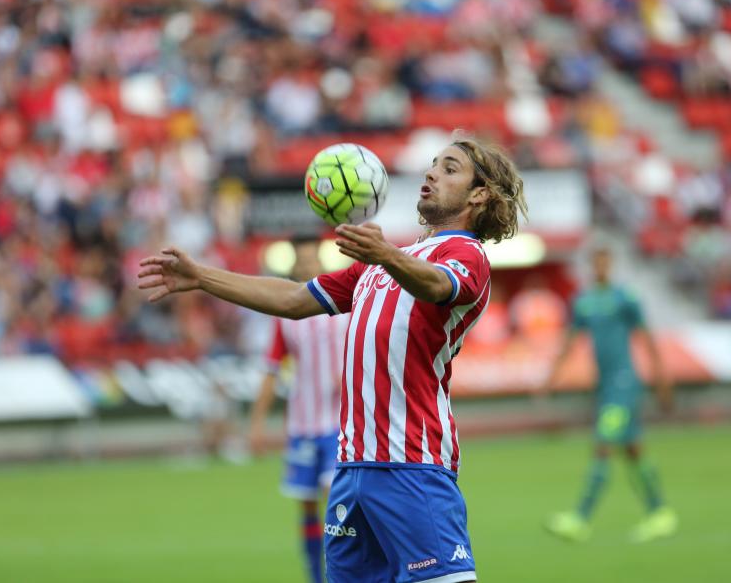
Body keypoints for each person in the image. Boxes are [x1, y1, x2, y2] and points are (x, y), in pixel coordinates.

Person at [138, 134, 527, 583]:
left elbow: (438, 287)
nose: (431, 172)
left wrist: (385, 255)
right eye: (433, 164)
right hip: (350, 472)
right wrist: (201, 276)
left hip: (412, 466)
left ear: (479, 194)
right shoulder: (381, 265)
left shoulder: (465, 255)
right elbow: (292, 299)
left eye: (450, 168)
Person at [542, 246, 678, 543]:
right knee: (632, 450)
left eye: (605, 260)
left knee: (603, 445)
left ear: (611, 263)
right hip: (605, 386)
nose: (601, 266)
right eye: (596, 261)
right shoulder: (584, 302)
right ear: (591, 265)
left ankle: (580, 519)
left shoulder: (625, 298)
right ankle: (660, 513)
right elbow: (570, 341)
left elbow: (647, 337)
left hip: (624, 384)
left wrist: (661, 380)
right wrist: (551, 379)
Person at [249, 237, 348, 583]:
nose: (306, 266)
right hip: (303, 425)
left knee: (335, 504)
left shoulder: (342, 307)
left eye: (311, 260)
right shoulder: (286, 316)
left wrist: (349, 376)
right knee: (307, 506)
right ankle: (315, 576)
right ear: (293, 265)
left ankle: (341, 574)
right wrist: (258, 424)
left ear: (321, 262)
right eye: (300, 261)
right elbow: (271, 368)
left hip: (340, 425)